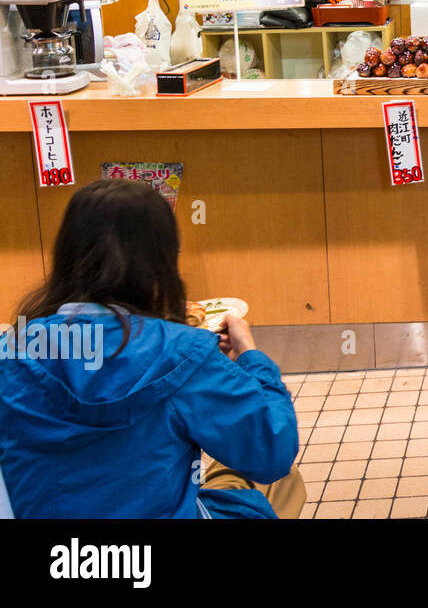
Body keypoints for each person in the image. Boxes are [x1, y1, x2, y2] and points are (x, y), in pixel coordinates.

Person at [0, 180, 303, 519]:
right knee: (279, 482)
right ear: (161, 259)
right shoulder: (182, 352)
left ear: (66, 253)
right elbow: (272, 452)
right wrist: (251, 358)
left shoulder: (12, 349)